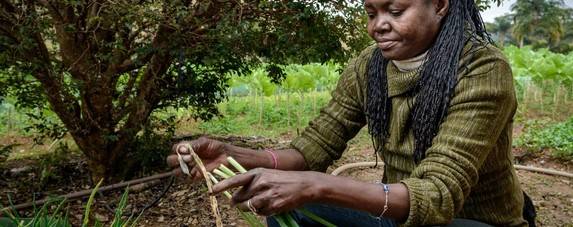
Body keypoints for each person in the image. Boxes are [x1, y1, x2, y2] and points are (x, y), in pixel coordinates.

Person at [167, 0, 536, 226]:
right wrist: (238, 157)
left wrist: (315, 185)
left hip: (469, 221)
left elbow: (437, 196)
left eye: (395, 10)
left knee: (303, 198)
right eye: (371, 12)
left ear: (440, 4)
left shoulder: (482, 70)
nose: (379, 26)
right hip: (402, 215)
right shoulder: (370, 66)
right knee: (286, 211)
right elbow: (311, 149)